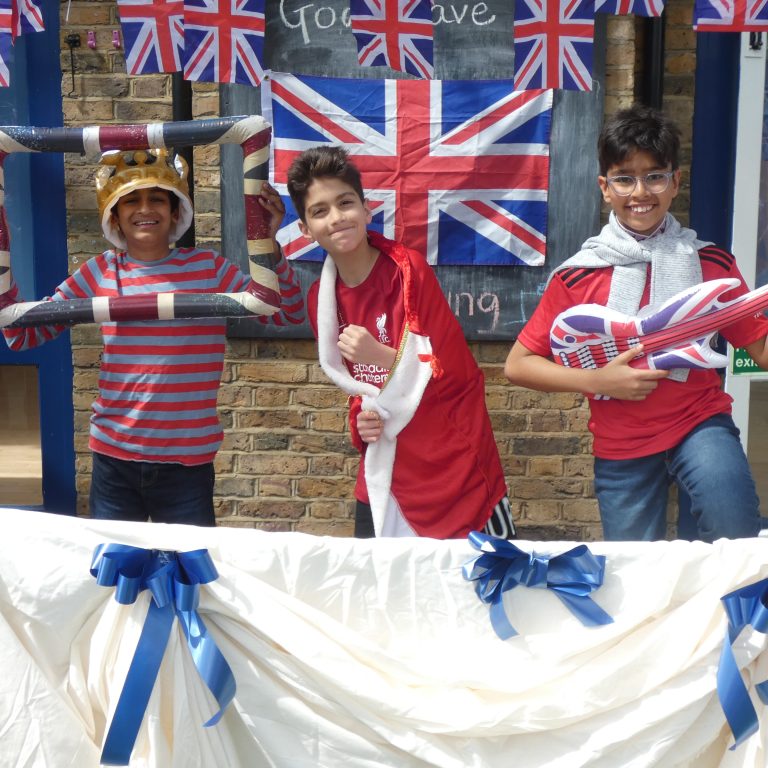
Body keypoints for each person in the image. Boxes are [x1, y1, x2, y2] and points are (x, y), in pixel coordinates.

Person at [504, 104, 768, 543]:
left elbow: (758, 345)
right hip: (621, 440)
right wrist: (596, 379)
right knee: (633, 569)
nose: (640, 191)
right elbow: (518, 364)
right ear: (605, 188)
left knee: (736, 530)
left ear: (675, 182)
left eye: (655, 176)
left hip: (699, 423)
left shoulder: (713, 264)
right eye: (625, 178)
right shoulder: (577, 275)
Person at [2, 148, 303, 526]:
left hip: (187, 462)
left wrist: (269, 244)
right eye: (131, 200)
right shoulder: (99, 271)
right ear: (114, 215)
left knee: (183, 573)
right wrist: (3, 279)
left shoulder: (208, 268)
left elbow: (286, 313)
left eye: (157, 198)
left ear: (176, 212)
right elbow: (23, 336)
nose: (145, 208)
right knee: (117, 572)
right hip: (115, 457)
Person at [284, 145, 514, 539]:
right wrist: (361, 421)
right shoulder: (320, 299)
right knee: (376, 592)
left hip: (453, 466)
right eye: (320, 211)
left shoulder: (408, 273)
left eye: (345, 203)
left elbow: (455, 373)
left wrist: (383, 355)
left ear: (366, 208)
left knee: (473, 592)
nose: (337, 218)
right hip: (385, 467)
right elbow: (359, 388)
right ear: (305, 229)